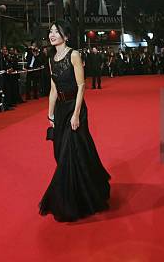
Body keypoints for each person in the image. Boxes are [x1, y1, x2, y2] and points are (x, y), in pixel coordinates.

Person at [39, 21, 111, 222]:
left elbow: (81, 86)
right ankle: (84, 186)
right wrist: (50, 114)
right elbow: (53, 90)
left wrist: (76, 114)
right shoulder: (51, 59)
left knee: (70, 152)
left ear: (66, 36)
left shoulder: (74, 55)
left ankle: (73, 201)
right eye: (50, 31)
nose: (52, 34)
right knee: (60, 150)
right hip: (61, 110)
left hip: (75, 107)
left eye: (56, 31)